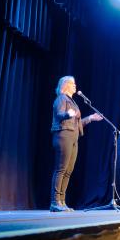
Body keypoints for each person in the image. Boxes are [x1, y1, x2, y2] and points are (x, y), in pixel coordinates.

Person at [50, 75, 102, 212]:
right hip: (63, 135)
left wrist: (90, 118)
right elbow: (60, 115)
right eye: (72, 83)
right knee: (61, 169)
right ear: (65, 85)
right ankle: (55, 202)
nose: (75, 86)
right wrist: (69, 114)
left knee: (68, 171)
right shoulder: (61, 98)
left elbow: (77, 124)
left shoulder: (72, 102)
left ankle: (62, 201)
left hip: (73, 137)